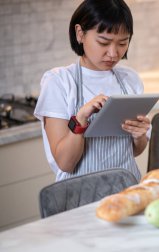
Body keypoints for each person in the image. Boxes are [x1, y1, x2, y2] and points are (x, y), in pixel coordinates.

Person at [34, 0, 149, 182]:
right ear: (80, 34)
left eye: (122, 43)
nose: (113, 53)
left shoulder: (130, 80)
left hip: (127, 188)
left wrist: (139, 135)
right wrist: (80, 120)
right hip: (79, 195)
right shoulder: (58, 82)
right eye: (104, 42)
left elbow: (135, 151)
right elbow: (65, 163)